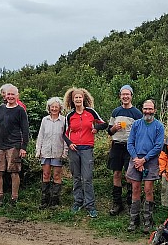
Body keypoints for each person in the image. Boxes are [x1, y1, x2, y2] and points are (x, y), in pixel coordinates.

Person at [63, 87, 107, 218]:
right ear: (72, 99)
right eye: (75, 97)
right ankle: (78, 202)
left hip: (87, 148)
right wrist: (70, 143)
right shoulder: (70, 115)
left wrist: (96, 128)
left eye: (79, 97)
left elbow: (104, 124)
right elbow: (64, 134)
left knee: (87, 178)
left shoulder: (91, 112)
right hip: (74, 149)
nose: (77, 99)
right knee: (76, 177)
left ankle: (90, 206)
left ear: (84, 99)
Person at [126, 99, 165, 232]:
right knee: (135, 189)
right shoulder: (136, 124)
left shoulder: (159, 126)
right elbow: (130, 143)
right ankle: (133, 219)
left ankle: (147, 221)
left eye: (150, 109)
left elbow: (158, 146)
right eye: (145, 108)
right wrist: (137, 159)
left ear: (155, 110)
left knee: (148, 189)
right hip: (136, 159)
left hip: (151, 161)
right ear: (142, 109)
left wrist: (144, 160)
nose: (148, 111)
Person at [0, 83, 29, 207]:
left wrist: (23, 147)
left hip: (14, 145)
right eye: (8, 94)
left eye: (13, 94)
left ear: (17, 96)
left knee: (14, 172)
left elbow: (25, 130)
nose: (10, 96)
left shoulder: (20, 111)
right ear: (5, 95)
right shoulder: (1, 108)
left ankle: (14, 199)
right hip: (0, 145)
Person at [106, 85, 143, 215]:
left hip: (130, 147)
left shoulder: (137, 113)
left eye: (128, 94)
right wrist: (114, 128)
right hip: (116, 145)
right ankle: (117, 204)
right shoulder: (115, 112)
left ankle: (130, 203)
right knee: (116, 174)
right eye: (123, 94)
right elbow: (109, 131)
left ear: (131, 96)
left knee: (129, 176)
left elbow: (141, 133)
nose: (125, 97)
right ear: (120, 96)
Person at [35, 96, 68, 207]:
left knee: (57, 175)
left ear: (60, 108)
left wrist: (65, 152)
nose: (54, 109)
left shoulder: (64, 120)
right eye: (52, 107)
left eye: (56, 107)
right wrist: (38, 150)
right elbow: (41, 136)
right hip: (45, 151)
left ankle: (55, 201)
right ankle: (45, 200)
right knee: (46, 174)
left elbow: (65, 137)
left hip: (58, 152)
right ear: (49, 108)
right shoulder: (45, 120)